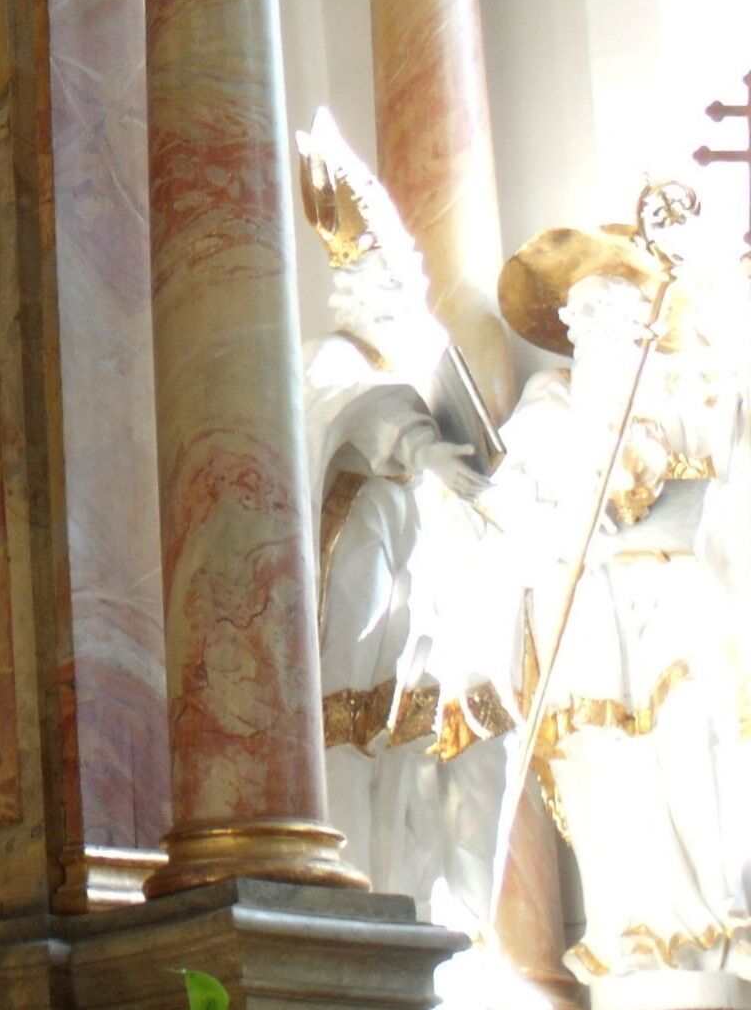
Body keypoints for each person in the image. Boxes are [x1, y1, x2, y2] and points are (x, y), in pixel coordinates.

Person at [480, 220, 751, 992]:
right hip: (588, 615)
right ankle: (632, 927)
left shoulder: (682, 388)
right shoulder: (548, 401)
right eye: (583, 315)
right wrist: (560, 507)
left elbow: (717, 455)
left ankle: (716, 919)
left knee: (693, 740)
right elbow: (513, 498)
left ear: (646, 318)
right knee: (605, 768)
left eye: (619, 311)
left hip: (673, 596)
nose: (601, 326)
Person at [292, 111, 509, 967]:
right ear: (362, 290)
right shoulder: (333, 356)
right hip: (358, 567)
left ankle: (424, 912)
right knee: (354, 730)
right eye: (394, 288)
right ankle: (359, 906)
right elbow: (348, 409)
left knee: (427, 740)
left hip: (417, 571)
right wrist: (421, 445)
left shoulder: (403, 365)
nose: (408, 305)